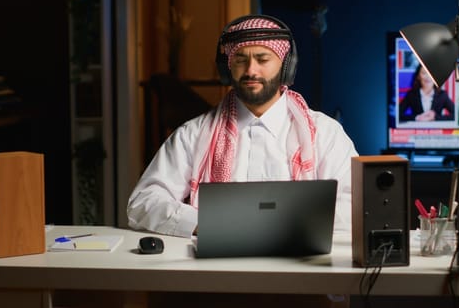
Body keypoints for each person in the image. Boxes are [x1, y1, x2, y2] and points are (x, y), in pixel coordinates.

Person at [127, 14, 359, 239]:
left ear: (286, 66)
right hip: (217, 273)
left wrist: (286, 224)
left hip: (304, 271)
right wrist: (206, 223)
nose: (251, 70)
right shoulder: (193, 134)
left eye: (262, 59)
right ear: (227, 69)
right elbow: (143, 202)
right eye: (240, 60)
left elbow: (356, 204)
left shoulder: (325, 134)